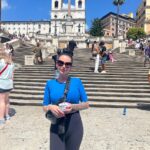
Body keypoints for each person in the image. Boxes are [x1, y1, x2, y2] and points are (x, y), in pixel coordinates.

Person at [43, 50, 89, 150]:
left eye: (67, 64)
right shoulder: (49, 84)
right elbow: (44, 106)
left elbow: (86, 104)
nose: (64, 66)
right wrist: (51, 106)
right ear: (56, 64)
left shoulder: (77, 82)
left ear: (71, 66)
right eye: (61, 63)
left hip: (74, 124)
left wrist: (73, 107)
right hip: (56, 125)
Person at [0, 51, 15, 128]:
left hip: (2, 83)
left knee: (1, 101)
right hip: (9, 84)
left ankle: (1, 120)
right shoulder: (12, 63)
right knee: (7, 100)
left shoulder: (1, 63)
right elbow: (13, 74)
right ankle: (7, 116)